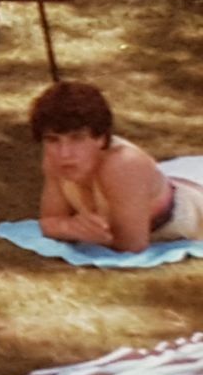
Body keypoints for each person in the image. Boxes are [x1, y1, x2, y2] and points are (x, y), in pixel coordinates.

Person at [30, 81, 203, 253]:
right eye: (52, 139)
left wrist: (72, 229)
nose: (64, 153)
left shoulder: (122, 164)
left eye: (77, 138)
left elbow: (132, 244)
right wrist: (71, 228)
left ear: (101, 138)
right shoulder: (54, 160)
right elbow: (50, 221)